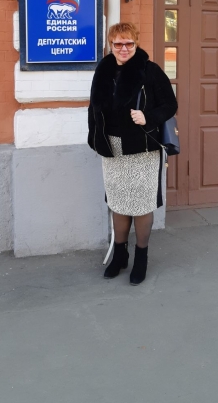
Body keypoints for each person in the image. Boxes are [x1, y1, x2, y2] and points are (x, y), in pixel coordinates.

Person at [88, 22, 178, 285]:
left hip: (142, 149)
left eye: (129, 43)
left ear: (136, 44)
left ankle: (141, 259)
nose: (124, 48)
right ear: (111, 45)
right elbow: (94, 107)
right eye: (118, 44)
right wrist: (96, 138)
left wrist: (148, 116)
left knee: (140, 205)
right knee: (118, 202)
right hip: (113, 147)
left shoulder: (149, 71)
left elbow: (170, 104)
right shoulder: (103, 70)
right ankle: (120, 256)